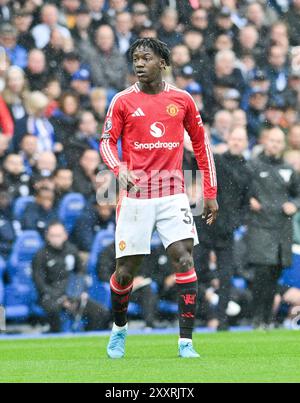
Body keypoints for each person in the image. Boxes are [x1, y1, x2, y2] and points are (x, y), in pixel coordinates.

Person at [100, 38, 218, 359]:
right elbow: (107, 142)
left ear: (162, 63)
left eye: (146, 58)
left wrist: (209, 192)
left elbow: (202, 145)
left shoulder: (181, 99)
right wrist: (117, 167)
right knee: (126, 272)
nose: (139, 63)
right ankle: (120, 329)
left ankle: (185, 343)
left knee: (184, 258)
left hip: (173, 195)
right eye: (136, 58)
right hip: (136, 197)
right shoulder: (122, 101)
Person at [194, 127, 251, 330]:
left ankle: (222, 321)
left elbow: (246, 204)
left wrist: (236, 222)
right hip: (204, 225)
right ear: (228, 139)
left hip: (226, 230)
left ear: (245, 143)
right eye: (234, 138)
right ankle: (194, 315)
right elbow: (197, 163)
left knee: (225, 276)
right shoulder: (216, 160)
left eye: (240, 139)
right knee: (195, 273)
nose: (236, 142)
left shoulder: (247, 170)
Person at [247, 127, 300, 328]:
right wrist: (249, 199)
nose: (275, 144)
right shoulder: (253, 166)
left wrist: (294, 205)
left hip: (281, 228)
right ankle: (257, 318)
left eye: (279, 142)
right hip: (260, 226)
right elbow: (242, 189)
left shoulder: (289, 169)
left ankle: (267, 319)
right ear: (265, 141)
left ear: (283, 145)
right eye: (272, 141)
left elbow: (298, 194)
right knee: (261, 273)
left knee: (275, 274)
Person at [33, 222, 110, 333]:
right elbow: (39, 283)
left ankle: (90, 340)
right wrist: (60, 298)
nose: (55, 239)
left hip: (73, 295)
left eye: (58, 235)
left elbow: (81, 274)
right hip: (50, 297)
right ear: (47, 236)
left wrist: (79, 293)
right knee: (54, 311)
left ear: (65, 236)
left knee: (101, 313)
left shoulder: (72, 250)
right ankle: (55, 340)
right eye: (52, 235)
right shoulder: (40, 255)